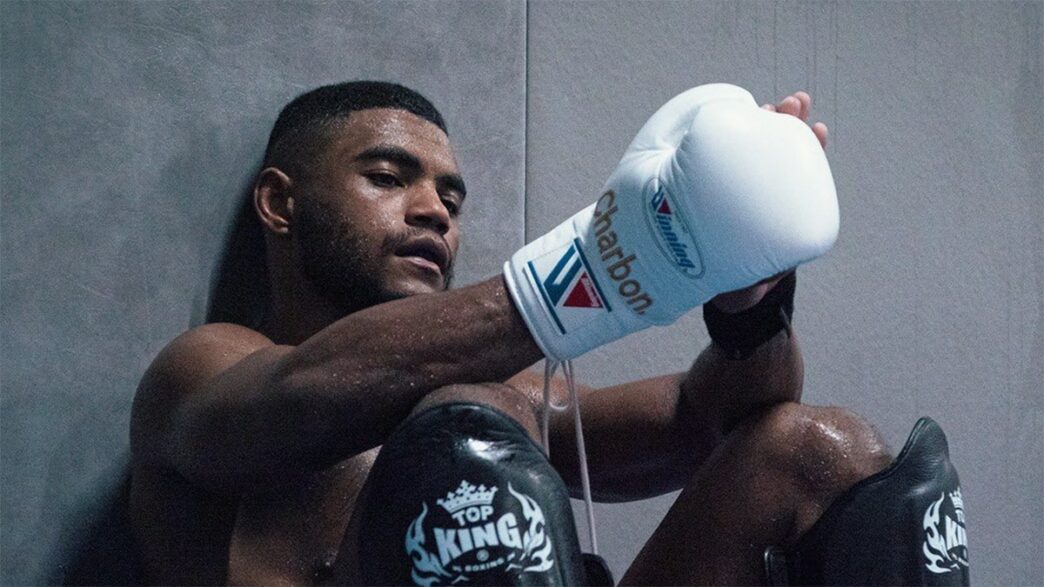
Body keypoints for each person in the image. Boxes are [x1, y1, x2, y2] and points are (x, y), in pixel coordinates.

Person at [129, 81, 892, 585]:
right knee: (466, 422)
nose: (434, 210)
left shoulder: (510, 397)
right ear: (280, 203)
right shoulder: (201, 369)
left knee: (816, 450)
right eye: (389, 177)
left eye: (451, 198)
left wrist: (748, 297)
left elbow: (715, 422)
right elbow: (300, 399)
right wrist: (593, 267)